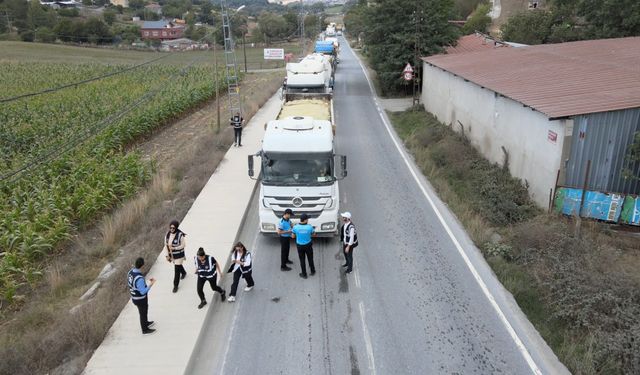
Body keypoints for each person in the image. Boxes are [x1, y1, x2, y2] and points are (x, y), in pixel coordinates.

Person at [127, 257, 156, 334]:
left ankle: (145, 322)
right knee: (143, 313)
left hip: (134, 297)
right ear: (142, 266)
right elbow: (143, 291)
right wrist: (151, 284)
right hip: (140, 298)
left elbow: (132, 284)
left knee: (143, 311)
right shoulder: (139, 278)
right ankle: (145, 329)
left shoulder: (130, 272)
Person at [165, 220, 187, 293]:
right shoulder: (168, 234)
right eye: (170, 228)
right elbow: (166, 245)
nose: (171, 229)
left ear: (176, 228)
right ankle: (183, 272)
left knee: (176, 270)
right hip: (172, 255)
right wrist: (167, 255)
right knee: (178, 266)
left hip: (179, 255)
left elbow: (183, 245)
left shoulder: (180, 235)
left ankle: (175, 286)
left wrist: (175, 248)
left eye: (173, 228)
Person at [291, 213, 316, 279]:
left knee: (302, 260)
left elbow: (293, 236)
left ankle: (304, 274)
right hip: (308, 245)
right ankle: (312, 271)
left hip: (300, 246)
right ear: (305, 220)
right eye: (307, 219)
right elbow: (314, 234)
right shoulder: (309, 227)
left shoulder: (295, 227)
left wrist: (298, 234)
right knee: (310, 258)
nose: (308, 220)